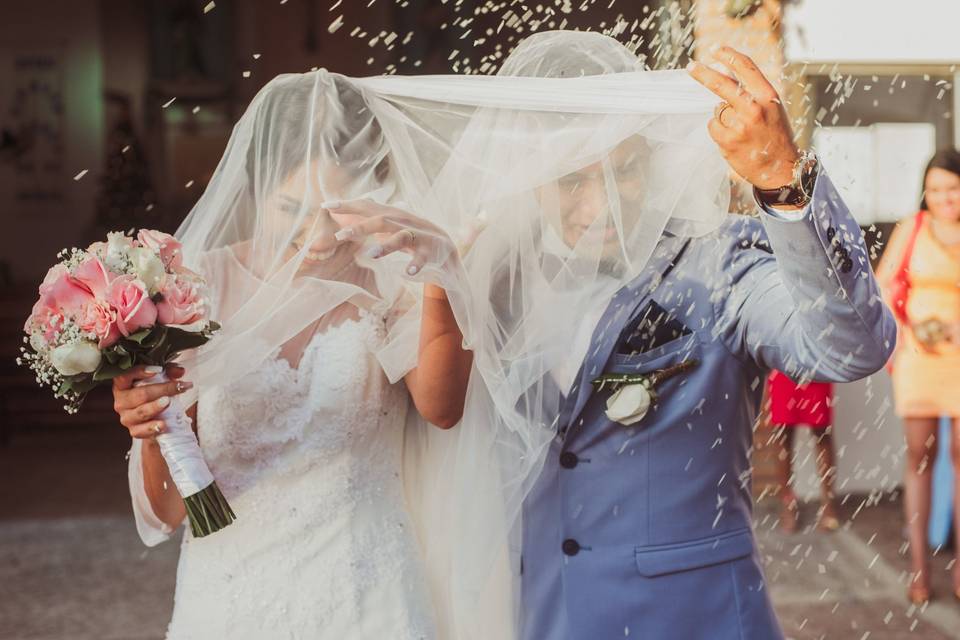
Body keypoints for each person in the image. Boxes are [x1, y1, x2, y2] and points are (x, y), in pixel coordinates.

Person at [507, 33, 896, 640]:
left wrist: (781, 179)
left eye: (623, 171)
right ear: (532, 183)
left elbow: (851, 348)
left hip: (692, 618)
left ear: (653, 162)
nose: (600, 203)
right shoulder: (498, 288)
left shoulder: (720, 261)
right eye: (570, 180)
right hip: (542, 616)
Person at [112, 75, 472, 638]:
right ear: (252, 187)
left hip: (366, 589)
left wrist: (442, 276)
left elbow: (443, 407)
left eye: (336, 213)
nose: (319, 238)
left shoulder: (390, 277)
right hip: (230, 593)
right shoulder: (196, 291)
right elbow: (167, 510)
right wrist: (148, 425)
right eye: (292, 210)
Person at [877, 148, 960, 605]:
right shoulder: (912, 228)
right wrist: (906, 333)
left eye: (952, 188)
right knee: (919, 457)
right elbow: (883, 284)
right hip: (919, 358)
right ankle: (920, 571)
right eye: (935, 189)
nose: (944, 198)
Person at [766, 370, 839, 533]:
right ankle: (787, 503)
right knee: (782, 432)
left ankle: (828, 504)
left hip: (816, 362)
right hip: (781, 360)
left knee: (822, 431)